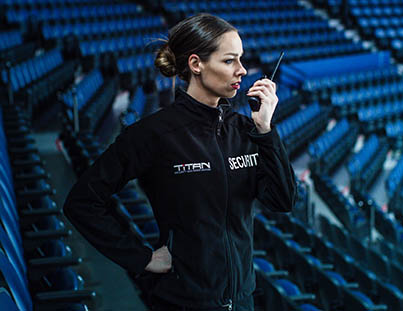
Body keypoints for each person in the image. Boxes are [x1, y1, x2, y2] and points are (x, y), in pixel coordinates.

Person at [63, 13, 296, 311]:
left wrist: (266, 131)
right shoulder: (155, 134)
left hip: (243, 300)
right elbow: (82, 202)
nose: (242, 70)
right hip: (185, 302)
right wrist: (142, 258)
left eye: (241, 59)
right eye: (229, 61)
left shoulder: (246, 131)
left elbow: (283, 200)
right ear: (196, 64)